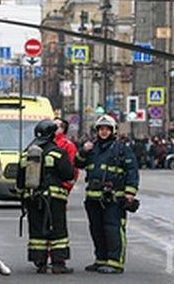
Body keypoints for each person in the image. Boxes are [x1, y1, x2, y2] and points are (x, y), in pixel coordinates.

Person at [75, 115, 139, 274]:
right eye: (101, 129)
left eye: (107, 129)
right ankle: (101, 259)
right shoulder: (92, 148)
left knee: (113, 229)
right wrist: (83, 150)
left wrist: (130, 192)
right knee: (96, 229)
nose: (104, 132)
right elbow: (77, 163)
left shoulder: (122, 149)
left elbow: (132, 171)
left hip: (113, 198)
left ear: (113, 130)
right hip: (93, 197)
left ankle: (115, 261)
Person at [17, 120, 75, 274]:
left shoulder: (26, 154)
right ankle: (58, 264)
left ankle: (40, 262)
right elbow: (68, 174)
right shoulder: (58, 153)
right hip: (53, 199)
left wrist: (24, 198)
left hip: (32, 198)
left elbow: (19, 180)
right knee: (57, 230)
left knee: (37, 230)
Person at [54, 118, 79, 192]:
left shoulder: (69, 146)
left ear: (62, 129)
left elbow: (73, 168)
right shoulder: (46, 142)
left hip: (60, 189)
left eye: (55, 126)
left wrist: (66, 186)